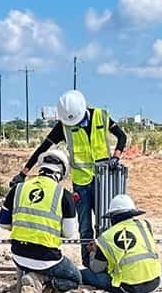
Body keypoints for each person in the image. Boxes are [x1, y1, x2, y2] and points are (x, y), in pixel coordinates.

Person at [9, 90, 127, 265]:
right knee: (85, 228)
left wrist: (116, 157)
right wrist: (23, 173)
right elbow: (42, 148)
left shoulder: (101, 116)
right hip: (81, 183)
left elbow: (122, 137)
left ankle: (106, 262)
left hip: (103, 180)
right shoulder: (64, 126)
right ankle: (88, 264)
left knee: (105, 224)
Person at [0, 148, 81, 293]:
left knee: (29, 259)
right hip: (46, 258)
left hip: (18, 255)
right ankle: (41, 279)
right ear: (61, 172)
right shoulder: (63, 195)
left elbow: (3, 222)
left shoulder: (18, 188)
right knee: (75, 279)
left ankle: (28, 278)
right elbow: (69, 233)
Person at [80, 194, 161, 293]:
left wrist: (93, 252)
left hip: (128, 289)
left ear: (113, 217)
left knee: (83, 274)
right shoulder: (144, 225)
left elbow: (96, 268)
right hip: (155, 282)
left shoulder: (106, 237)